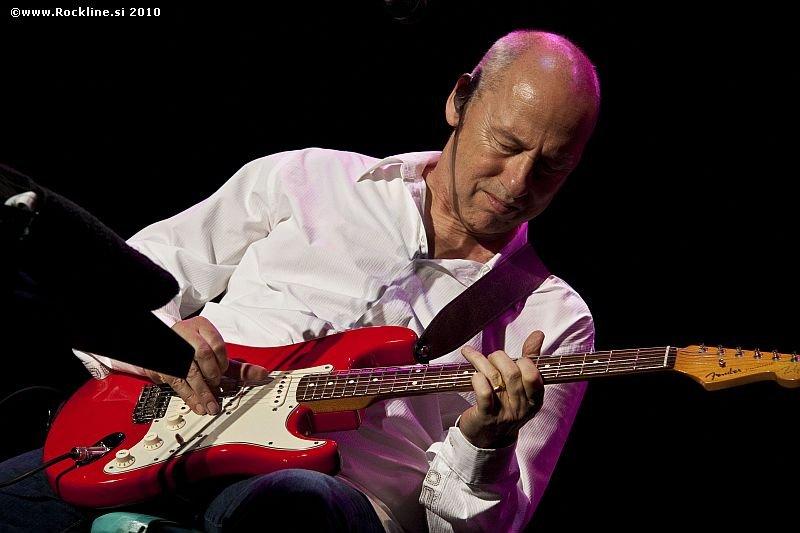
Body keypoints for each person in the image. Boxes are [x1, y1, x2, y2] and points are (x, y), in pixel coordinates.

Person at [0, 29, 600, 532]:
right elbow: (113, 280)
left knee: (295, 500)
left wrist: (485, 447)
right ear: (459, 100)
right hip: (152, 441)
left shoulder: (552, 319)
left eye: (552, 167)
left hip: (328, 500)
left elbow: (490, 530)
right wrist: (162, 346)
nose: (518, 183)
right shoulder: (311, 177)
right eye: (506, 144)